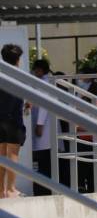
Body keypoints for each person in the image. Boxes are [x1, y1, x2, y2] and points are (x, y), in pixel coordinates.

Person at [0, 44, 26, 198]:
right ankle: (11, 189)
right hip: (13, 120)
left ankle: (1, 191)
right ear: (17, 59)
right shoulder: (18, 76)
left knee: (2, 154)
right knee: (12, 154)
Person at [30, 60, 54, 196]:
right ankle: (42, 189)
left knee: (43, 162)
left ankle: (43, 190)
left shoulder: (44, 83)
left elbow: (43, 106)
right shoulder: (41, 81)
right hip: (41, 128)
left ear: (41, 70)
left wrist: (39, 125)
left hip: (42, 129)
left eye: (36, 70)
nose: (34, 72)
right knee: (42, 162)